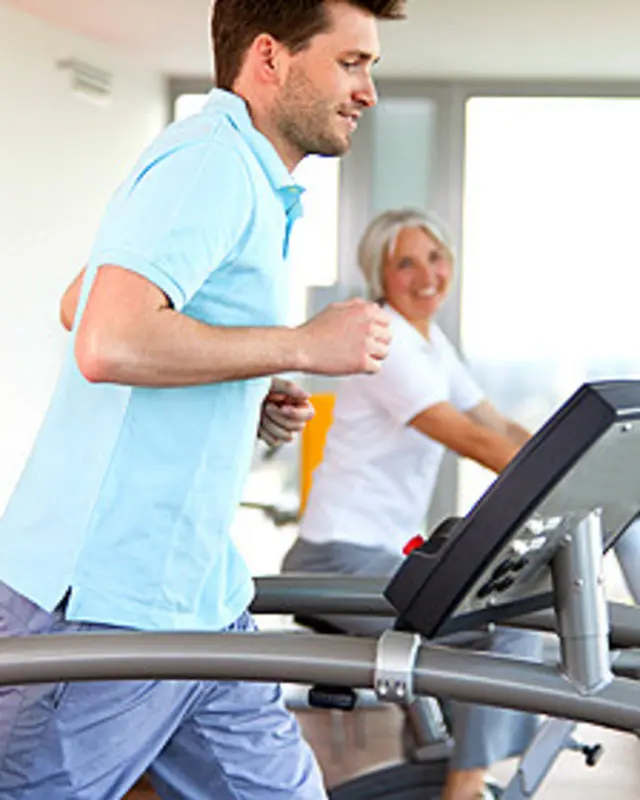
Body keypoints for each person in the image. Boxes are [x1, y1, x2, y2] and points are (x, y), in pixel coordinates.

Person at [0, 2, 407, 798]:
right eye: (352, 62)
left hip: (197, 592)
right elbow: (106, 338)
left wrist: (241, 387)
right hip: (112, 597)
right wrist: (298, 343)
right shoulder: (210, 165)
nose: (368, 91)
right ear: (270, 57)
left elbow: (82, 301)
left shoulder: (245, 176)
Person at [282, 208, 542, 800]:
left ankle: (450, 771)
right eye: (406, 262)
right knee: (500, 630)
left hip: (377, 555)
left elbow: (495, 421)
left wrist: (573, 456)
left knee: (496, 628)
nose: (426, 274)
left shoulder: (428, 339)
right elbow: (471, 440)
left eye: (435, 257)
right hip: (336, 561)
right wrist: (554, 477)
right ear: (381, 273)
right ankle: (462, 788)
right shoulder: (385, 337)